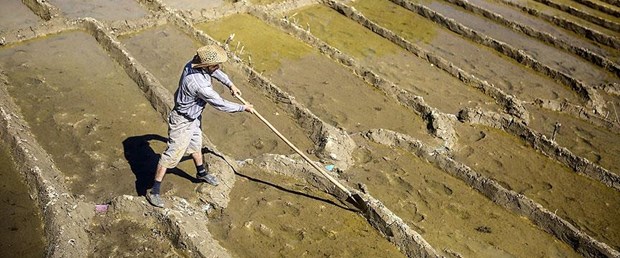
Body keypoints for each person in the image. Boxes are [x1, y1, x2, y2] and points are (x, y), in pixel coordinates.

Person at [146, 44, 254, 208]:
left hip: (194, 117)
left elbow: (216, 72)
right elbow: (220, 103)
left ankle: (201, 173)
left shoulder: (194, 63)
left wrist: (230, 84)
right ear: (205, 65)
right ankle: (153, 191)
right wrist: (243, 107)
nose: (217, 67)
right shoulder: (198, 84)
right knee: (170, 156)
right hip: (182, 121)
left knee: (196, 145)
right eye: (215, 64)